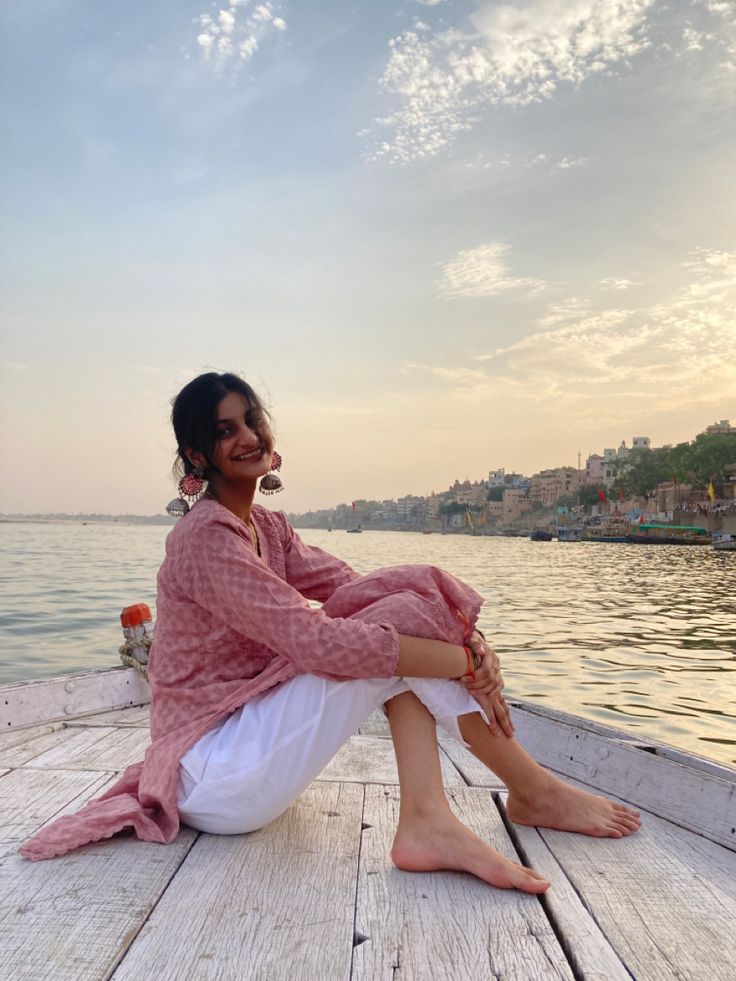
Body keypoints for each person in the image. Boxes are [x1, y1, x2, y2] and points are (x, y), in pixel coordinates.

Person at [20, 372, 640, 882]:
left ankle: (431, 819)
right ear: (197, 456)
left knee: (389, 625)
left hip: (248, 754)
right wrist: (465, 664)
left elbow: (363, 592)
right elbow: (318, 641)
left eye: (251, 421)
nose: (246, 437)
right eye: (223, 431)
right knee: (379, 645)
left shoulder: (271, 530)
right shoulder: (205, 538)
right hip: (210, 772)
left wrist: (468, 640)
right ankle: (526, 792)